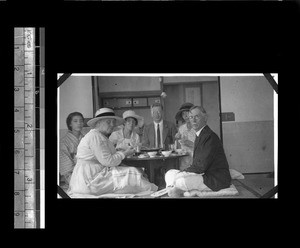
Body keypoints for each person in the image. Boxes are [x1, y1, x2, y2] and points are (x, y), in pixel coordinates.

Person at [67, 108, 158, 197]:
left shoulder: (100, 136)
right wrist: (125, 153)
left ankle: (153, 190)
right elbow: (108, 161)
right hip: (90, 179)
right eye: (108, 122)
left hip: (93, 174)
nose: (112, 125)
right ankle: (156, 191)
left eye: (113, 122)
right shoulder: (95, 136)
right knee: (134, 173)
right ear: (98, 123)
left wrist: (121, 154)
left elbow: (109, 156)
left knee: (136, 172)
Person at [165, 106, 231, 197]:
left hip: (214, 178)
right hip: (203, 174)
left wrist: (183, 173)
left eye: (197, 116)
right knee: (169, 173)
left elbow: (201, 166)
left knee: (181, 180)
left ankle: (176, 188)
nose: (193, 120)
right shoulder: (200, 134)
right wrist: (183, 173)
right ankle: (177, 188)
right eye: (191, 117)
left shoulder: (210, 137)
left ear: (205, 118)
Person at [59, 112, 85, 191]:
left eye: (81, 121)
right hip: (73, 174)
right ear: (70, 124)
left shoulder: (86, 138)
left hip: (89, 170)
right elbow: (66, 168)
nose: (79, 123)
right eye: (75, 121)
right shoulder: (63, 142)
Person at [174, 103, 196, 170]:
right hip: (183, 162)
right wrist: (176, 140)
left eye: (187, 113)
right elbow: (177, 148)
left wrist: (191, 144)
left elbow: (204, 147)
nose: (186, 116)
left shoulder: (197, 127)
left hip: (196, 160)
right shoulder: (181, 128)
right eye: (183, 114)